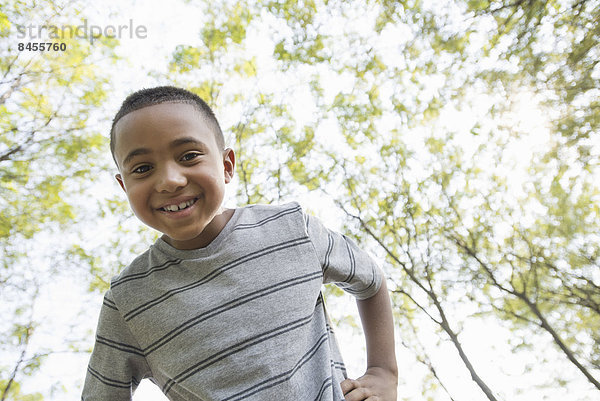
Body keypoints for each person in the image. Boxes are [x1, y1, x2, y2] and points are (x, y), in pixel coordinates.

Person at [82, 86, 398, 401]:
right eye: (142, 169)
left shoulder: (291, 228)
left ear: (227, 165)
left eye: (189, 156)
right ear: (124, 186)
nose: (170, 180)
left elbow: (370, 279)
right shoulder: (128, 302)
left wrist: (383, 373)